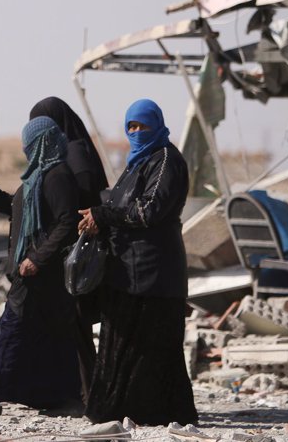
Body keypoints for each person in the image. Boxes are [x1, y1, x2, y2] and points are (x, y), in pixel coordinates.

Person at [78, 98, 198, 426]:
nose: (135, 132)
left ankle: (154, 412)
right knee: (124, 344)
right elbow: (120, 202)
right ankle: (125, 411)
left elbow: (149, 211)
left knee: (155, 346)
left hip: (154, 272)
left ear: (156, 125)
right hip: (129, 270)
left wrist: (103, 214)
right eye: (130, 126)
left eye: (141, 125)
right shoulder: (137, 163)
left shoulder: (165, 161)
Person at [0, 116, 82, 412]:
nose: (26, 149)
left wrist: (37, 258)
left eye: (30, 143)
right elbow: (17, 210)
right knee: (44, 337)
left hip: (40, 272)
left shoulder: (58, 176)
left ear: (43, 144)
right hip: (31, 271)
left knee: (13, 329)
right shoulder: (38, 176)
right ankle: (61, 398)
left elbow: (67, 222)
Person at [28, 96, 108, 403]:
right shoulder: (76, 152)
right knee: (74, 327)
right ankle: (80, 393)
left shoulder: (75, 160)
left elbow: (77, 210)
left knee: (76, 326)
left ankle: (87, 396)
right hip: (76, 254)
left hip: (78, 256)